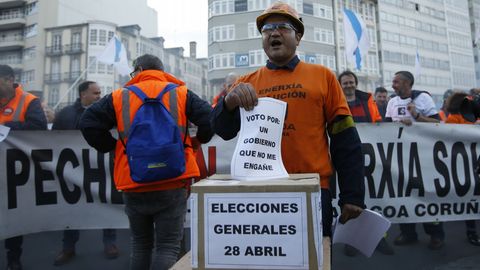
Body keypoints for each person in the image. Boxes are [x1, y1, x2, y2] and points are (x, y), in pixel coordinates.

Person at [210, 1, 365, 244]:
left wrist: (353, 194)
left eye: (283, 27)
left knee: (313, 259)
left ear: (298, 36)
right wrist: (227, 104)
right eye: (267, 29)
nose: (273, 33)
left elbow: (344, 137)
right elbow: (223, 131)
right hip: (259, 192)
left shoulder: (323, 77)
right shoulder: (245, 82)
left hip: (312, 189)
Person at [79, 54, 213, 270]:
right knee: (168, 246)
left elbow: (87, 122)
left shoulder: (119, 97)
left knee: (140, 245)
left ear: (139, 70)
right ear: (160, 71)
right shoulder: (180, 93)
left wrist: (112, 147)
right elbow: (210, 119)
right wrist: (198, 142)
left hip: (134, 180)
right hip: (174, 180)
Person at [52, 81, 119, 266]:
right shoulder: (65, 114)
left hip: (102, 169)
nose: (99, 96)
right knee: (72, 208)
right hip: (73, 172)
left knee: (106, 203)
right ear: (83, 94)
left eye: (100, 92)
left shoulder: (107, 112)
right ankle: (68, 247)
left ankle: (110, 243)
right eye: (95, 92)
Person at [385, 71, 444, 250]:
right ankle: (408, 232)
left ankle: (435, 234)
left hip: (423, 156)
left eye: (396, 81)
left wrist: (417, 118)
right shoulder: (392, 101)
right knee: (403, 194)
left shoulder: (423, 98)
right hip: (400, 156)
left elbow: (438, 124)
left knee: (426, 194)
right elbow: (385, 127)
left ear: (407, 83)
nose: (393, 85)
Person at [338, 71, 392, 256]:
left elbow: (378, 123)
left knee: (377, 198)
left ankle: (379, 238)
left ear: (355, 83)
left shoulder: (368, 101)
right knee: (352, 200)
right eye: (344, 83)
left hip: (372, 158)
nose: (348, 85)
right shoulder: (336, 101)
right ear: (340, 85)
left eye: (351, 82)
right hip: (347, 161)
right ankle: (352, 241)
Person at [0, 64, 47, 270]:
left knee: (13, 214)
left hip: (15, 170)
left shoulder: (29, 101)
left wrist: (6, 128)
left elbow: (39, 127)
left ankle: (13, 258)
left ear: (9, 80)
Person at [444, 91, 480, 247]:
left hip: (474, 163)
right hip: (465, 165)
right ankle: (471, 231)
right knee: (470, 197)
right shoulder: (453, 119)